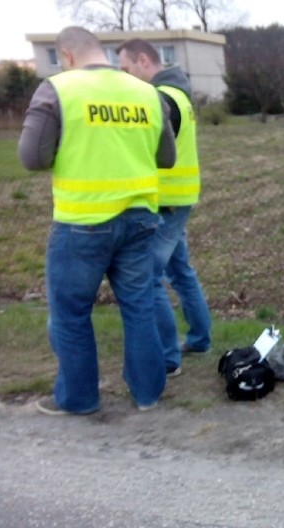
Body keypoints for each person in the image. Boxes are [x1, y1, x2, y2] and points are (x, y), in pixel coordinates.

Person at [18, 26, 177, 415]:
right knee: (139, 306)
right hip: (140, 219)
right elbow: (167, 158)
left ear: (67, 56)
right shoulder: (147, 93)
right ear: (101, 52)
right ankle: (147, 395)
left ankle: (79, 399)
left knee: (72, 313)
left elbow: (32, 157)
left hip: (82, 221)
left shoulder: (58, 89)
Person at [116, 39, 212, 378]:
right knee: (181, 271)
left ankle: (168, 359)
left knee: (148, 276)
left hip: (165, 201)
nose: (124, 77)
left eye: (126, 69)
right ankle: (200, 339)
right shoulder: (180, 94)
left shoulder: (161, 99)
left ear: (143, 61)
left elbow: (145, 148)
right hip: (179, 197)